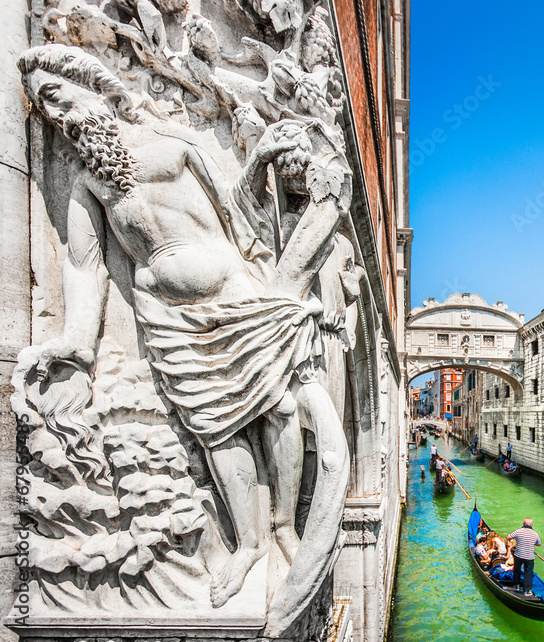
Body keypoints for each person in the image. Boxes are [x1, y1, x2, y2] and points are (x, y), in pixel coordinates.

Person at [17, 44, 355, 609]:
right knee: (215, 428)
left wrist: (264, 160)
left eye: (58, 99)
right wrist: (76, 343)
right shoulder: (88, 187)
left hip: (236, 295)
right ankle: (247, 543)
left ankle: (281, 527)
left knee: (281, 406)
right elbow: (84, 265)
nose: (59, 119)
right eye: (46, 113)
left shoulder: (174, 143)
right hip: (170, 321)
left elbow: (238, 210)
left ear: (91, 84)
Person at [508, 518, 541, 597]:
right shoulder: (535, 534)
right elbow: (539, 544)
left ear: (523, 524)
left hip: (519, 555)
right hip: (529, 556)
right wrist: (532, 543)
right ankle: (527, 591)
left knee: (517, 570)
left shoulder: (518, 531)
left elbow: (507, 537)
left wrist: (517, 540)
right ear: (531, 525)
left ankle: (516, 586)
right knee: (528, 573)